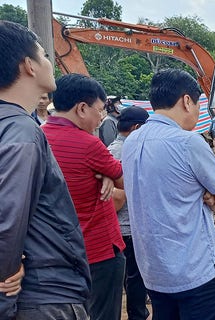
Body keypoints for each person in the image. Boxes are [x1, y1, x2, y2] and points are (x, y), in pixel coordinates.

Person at [122, 68, 215, 320]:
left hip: (155, 273)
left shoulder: (131, 142)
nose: (198, 113)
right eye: (198, 105)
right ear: (187, 101)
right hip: (196, 273)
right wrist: (206, 197)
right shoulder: (188, 142)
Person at [0, 20, 91, 320]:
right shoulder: (21, 132)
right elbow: (7, 221)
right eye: (44, 54)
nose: (49, 61)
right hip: (42, 297)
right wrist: (4, 295)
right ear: (29, 65)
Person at [42, 74, 126, 320]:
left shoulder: (38, 135)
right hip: (99, 251)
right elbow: (125, 180)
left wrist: (106, 173)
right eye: (99, 111)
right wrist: (109, 175)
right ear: (81, 108)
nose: (101, 118)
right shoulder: (89, 145)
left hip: (57, 253)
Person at [107, 106, 150, 320]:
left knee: (125, 277)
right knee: (135, 277)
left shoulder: (109, 148)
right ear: (137, 128)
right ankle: (138, 315)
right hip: (129, 225)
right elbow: (121, 193)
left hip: (115, 226)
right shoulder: (127, 151)